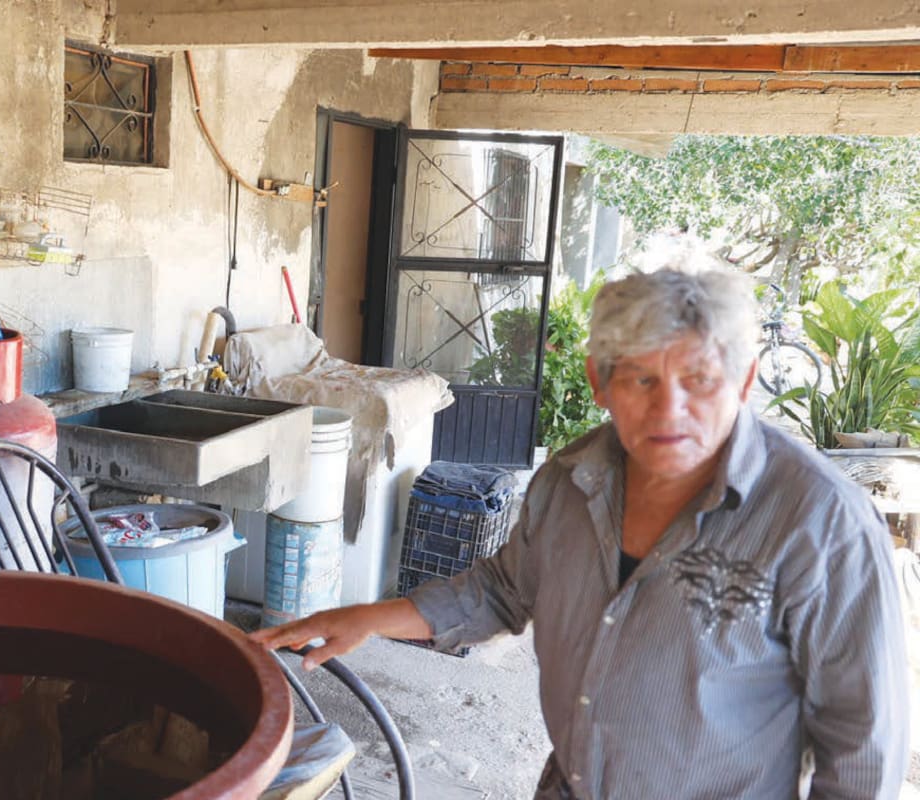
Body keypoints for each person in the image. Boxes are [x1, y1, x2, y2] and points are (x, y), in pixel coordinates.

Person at [250, 267, 909, 799]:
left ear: (741, 381)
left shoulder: (821, 522)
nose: (670, 409)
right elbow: (504, 592)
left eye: (700, 380)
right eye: (642, 378)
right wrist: (367, 618)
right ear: (600, 381)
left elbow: (863, 749)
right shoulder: (569, 482)